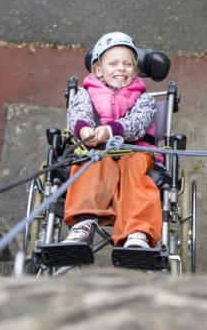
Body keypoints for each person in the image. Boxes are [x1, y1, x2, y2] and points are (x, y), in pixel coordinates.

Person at [45, 31, 162, 261]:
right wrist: (85, 130)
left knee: (136, 173)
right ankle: (83, 224)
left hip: (134, 151)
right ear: (98, 70)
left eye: (127, 64)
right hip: (95, 149)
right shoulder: (84, 93)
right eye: (113, 63)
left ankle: (137, 232)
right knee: (92, 162)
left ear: (135, 70)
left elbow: (138, 123)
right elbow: (79, 113)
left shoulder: (145, 100)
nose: (121, 68)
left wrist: (111, 130)